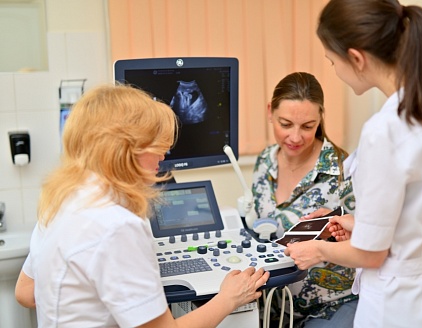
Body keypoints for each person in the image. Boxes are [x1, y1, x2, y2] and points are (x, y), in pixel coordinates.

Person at [14, 84, 270, 327]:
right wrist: (229, 298)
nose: (164, 153)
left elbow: (26, 293)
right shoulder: (118, 226)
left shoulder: (62, 199)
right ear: (125, 148)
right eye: (155, 143)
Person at [284, 1, 422, 327]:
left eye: (332, 60)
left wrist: (319, 252)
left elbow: (371, 255)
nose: (335, 70)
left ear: (356, 58)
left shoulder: (383, 130)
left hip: (393, 308)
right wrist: (358, 222)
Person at [251, 72, 357, 328]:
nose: (296, 137)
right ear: (269, 112)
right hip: (271, 308)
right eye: (285, 124)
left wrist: (336, 232)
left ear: (320, 117)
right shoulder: (265, 162)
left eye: (308, 126)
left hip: (330, 306)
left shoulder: (345, 171)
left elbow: (373, 247)